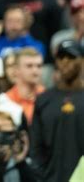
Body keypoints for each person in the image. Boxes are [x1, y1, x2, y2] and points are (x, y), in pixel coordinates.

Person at [31, 39, 84, 182]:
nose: (65, 62)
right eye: (61, 57)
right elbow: (36, 147)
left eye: (71, 57)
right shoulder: (43, 100)